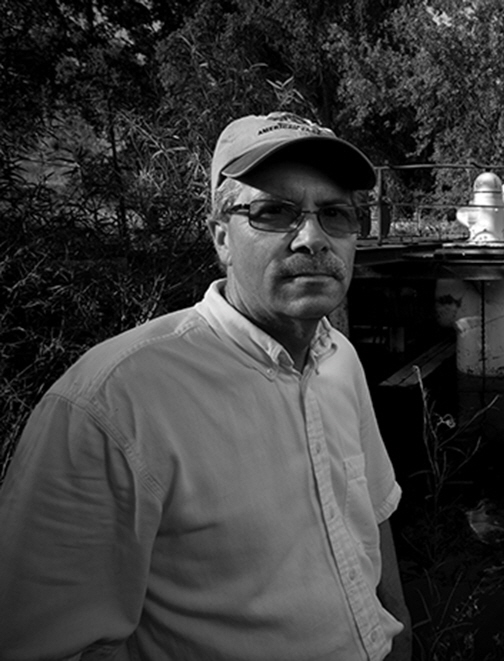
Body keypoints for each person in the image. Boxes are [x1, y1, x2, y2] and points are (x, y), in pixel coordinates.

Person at [0, 112, 411, 660]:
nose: (312, 238)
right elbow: (43, 642)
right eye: (273, 212)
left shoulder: (341, 360)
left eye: (334, 214)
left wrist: (402, 633)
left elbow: (372, 512)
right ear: (221, 236)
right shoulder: (112, 404)